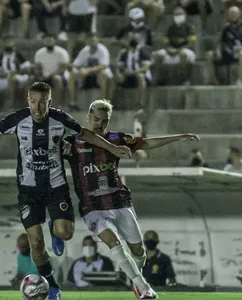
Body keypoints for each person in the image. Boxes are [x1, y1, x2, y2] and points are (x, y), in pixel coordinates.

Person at [0, 82, 131, 300]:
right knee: (35, 242)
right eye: (33, 102)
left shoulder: (60, 119)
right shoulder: (18, 119)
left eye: (42, 102)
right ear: (28, 100)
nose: (37, 108)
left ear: (50, 102)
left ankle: (54, 228)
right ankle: (53, 285)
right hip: (29, 190)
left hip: (56, 186)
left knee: (65, 233)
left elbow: (85, 134)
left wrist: (113, 148)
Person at [63, 99, 199, 299]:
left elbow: (147, 142)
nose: (99, 124)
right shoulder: (72, 141)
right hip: (92, 206)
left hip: (119, 201)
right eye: (96, 119)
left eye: (104, 121)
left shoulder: (117, 139)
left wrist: (178, 138)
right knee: (113, 242)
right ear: (88, 116)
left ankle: (136, 277)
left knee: (138, 252)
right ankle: (143, 287)